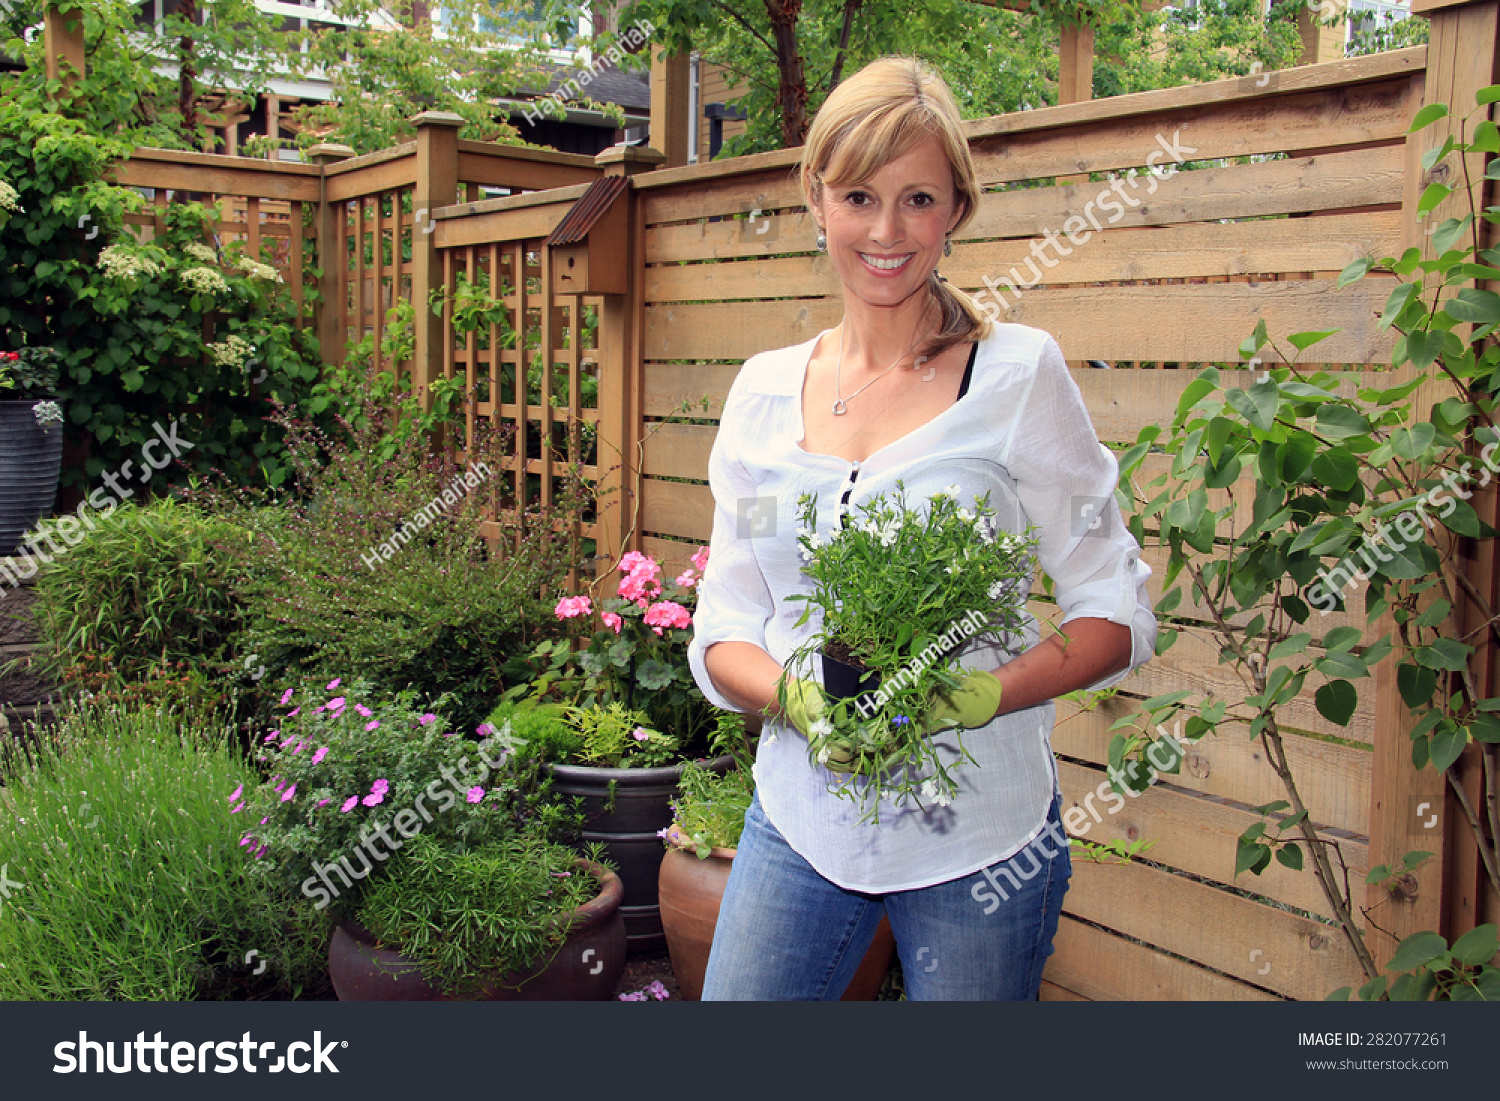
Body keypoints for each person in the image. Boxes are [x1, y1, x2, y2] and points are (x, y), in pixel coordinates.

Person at [686, 56, 1157, 1001]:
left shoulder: (1018, 377)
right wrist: (795, 699)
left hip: (979, 834)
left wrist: (975, 696)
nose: (887, 231)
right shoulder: (763, 396)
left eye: (919, 198)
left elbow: (1116, 610)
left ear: (956, 211)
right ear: (815, 199)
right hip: (800, 821)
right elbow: (723, 627)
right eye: (860, 194)